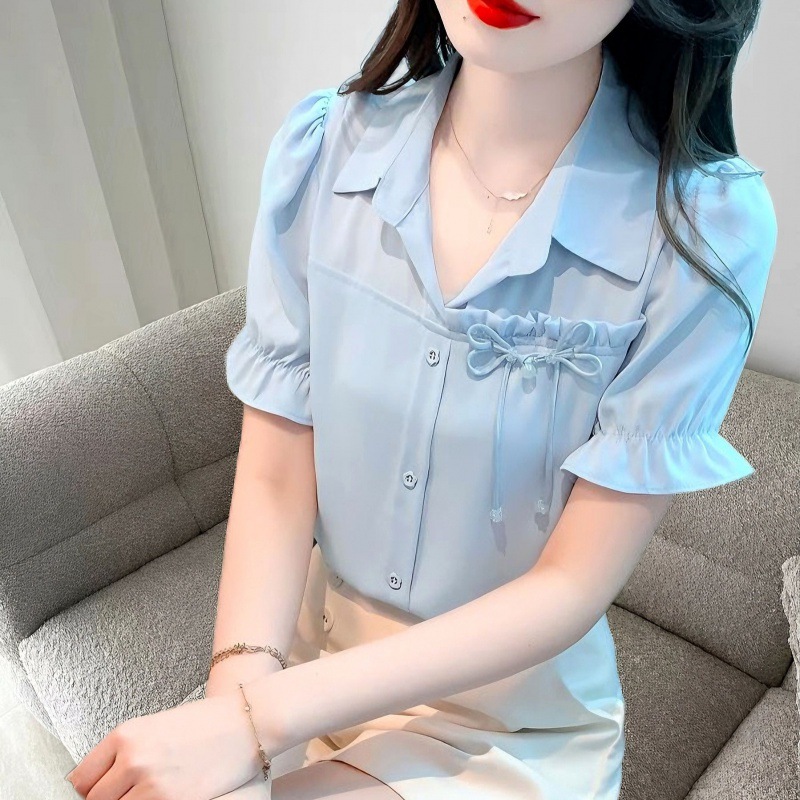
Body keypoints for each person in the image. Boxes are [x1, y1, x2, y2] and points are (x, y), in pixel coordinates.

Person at [63, 1, 777, 799]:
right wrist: (238, 703)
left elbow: (572, 584)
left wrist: (257, 722)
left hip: (503, 722)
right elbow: (274, 474)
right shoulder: (323, 150)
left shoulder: (700, 230)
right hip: (297, 657)